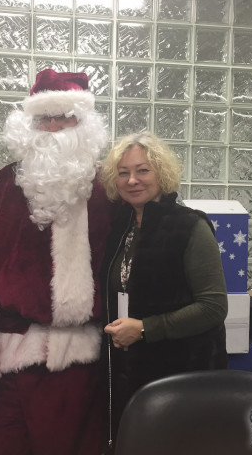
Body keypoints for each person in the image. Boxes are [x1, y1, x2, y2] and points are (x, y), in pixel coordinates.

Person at [0, 69, 114, 455]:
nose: (54, 127)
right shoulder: (2, 187)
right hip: (11, 358)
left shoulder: (108, 191)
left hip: (84, 363)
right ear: (28, 125)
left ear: (84, 124)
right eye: (44, 118)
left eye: (65, 117)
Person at [98, 132, 228, 448]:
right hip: (128, 374)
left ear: (162, 173)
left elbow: (213, 307)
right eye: (123, 172)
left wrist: (145, 328)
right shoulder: (119, 228)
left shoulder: (190, 226)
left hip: (182, 375)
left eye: (143, 170)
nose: (132, 180)